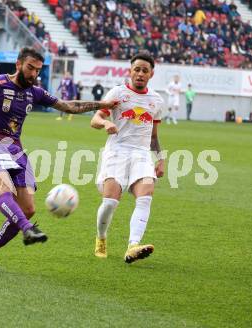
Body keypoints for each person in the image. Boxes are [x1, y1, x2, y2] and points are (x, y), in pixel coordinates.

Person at [0, 47, 118, 272]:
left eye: (38, 70)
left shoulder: (35, 92)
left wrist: (102, 105)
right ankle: (28, 229)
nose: (33, 74)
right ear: (19, 64)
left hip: (16, 151)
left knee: (28, 208)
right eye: (30, 68)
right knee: (4, 188)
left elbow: (68, 106)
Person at [90, 52, 165, 264]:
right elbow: (95, 118)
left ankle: (133, 245)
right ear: (130, 71)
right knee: (110, 202)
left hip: (141, 154)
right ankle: (101, 238)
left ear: (151, 74)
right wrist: (106, 123)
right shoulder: (117, 93)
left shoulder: (157, 101)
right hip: (117, 151)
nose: (140, 74)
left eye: (145, 70)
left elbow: (153, 135)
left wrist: (160, 158)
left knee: (146, 195)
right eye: (137, 69)